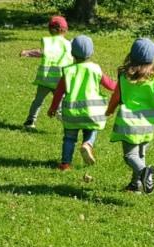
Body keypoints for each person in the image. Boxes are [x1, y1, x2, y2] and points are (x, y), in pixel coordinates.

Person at [105, 38, 154, 194]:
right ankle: (136, 186)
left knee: (129, 156)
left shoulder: (124, 77)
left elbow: (116, 97)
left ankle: (145, 171)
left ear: (131, 56)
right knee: (140, 154)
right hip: (148, 124)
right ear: (152, 59)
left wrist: (110, 110)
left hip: (129, 124)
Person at [47, 34, 118, 171]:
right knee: (91, 130)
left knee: (69, 138)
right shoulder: (95, 69)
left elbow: (58, 92)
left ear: (72, 53)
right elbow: (110, 85)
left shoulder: (68, 71)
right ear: (91, 52)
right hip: (92, 112)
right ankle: (88, 144)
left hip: (72, 114)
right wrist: (121, 88)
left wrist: (53, 108)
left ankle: (65, 164)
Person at [19, 15, 73, 128]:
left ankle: (30, 120)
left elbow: (41, 52)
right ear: (65, 29)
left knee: (38, 101)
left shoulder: (49, 42)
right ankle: (62, 116)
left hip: (45, 78)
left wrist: (27, 52)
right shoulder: (68, 44)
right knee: (61, 100)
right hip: (60, 79)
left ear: (50, 29)